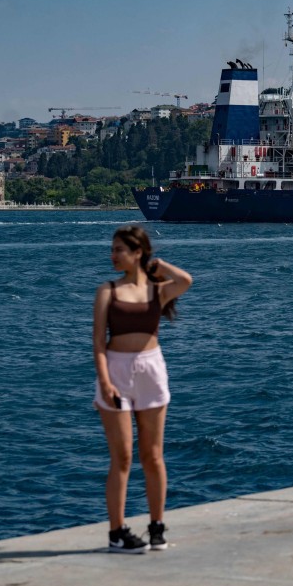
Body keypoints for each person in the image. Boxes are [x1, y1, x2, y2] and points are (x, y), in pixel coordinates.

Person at [93, 225, 193, 553]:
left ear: (137, 253)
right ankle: (117, 531)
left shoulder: (157, 290)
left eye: (120, 249)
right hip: (116, 371)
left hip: (151, 370)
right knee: (121, 457)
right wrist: (105, 381)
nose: (113, 255)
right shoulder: (107, 291)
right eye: (112, 249)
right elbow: (97, 343)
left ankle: (156, 526)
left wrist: (159, 266)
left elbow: (186, 281)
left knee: (153, 455)